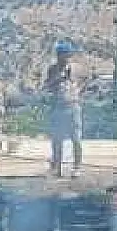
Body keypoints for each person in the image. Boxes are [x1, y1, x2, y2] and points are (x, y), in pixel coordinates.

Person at [43, 40, 85, 178]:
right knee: (57, 139)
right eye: (60, 54)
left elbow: (87, 81)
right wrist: (58, 78)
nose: (62, 57)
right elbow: (47, 86)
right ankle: (57, 167)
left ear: (69, 55)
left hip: (73, 106)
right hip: (58, 107)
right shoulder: (52, 69)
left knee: (76, 139)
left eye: (65, 54)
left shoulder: (77, 68)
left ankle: (77, 167)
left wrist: (78, 92)